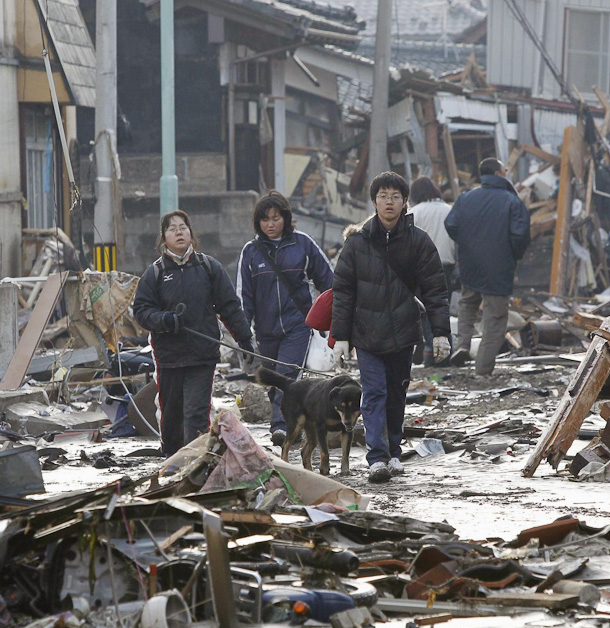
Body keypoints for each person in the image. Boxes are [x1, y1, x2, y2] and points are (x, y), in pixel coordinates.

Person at [332, 171, 451, 483]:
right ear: (374, 202)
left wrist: (440, 333)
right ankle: (377, 458)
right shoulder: (356, 243)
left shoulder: (418, 242)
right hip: (367, 333)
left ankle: (394, 451)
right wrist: (341, 337)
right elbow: (343, 291)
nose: (389, 202)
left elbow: (435, 289)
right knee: (373, 392)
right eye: (383, 196)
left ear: (405, 202)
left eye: (395, 196)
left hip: (402, 331)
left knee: (397, 395)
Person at [133, 210, 254, 457]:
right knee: (172, 416)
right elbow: (142, 311)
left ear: (191, 234)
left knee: (196, 414)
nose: (178, 231)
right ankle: (171, 461)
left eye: (183, 227)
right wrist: (164, 320)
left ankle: (196, 463)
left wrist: (244, 339)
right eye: (171, 228)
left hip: (202, 356)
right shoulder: (154, 273)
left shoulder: (209, 268)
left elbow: (229, 306)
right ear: (163, 238)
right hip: (169, 359)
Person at [236, 190, 333, 446]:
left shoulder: (303, 244)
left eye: (276, 218)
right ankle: (295, 418)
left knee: (287, 374)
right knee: (271, 380)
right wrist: (243, 334)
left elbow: (329, 281)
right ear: (258, 222)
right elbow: (243, 296)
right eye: (265, 219)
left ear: (286, 218)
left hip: (298, 325)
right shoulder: (250, 252)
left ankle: (281, 427)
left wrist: (331, 320)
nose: (271, 224)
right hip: (265, 329)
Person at [444, 157, 530, 374]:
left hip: (470, 264)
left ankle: (463, 344)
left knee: (467, 303)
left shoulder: (465, 198)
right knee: (495, 319)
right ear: (499, 173)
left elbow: (451, 224)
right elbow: (520, 237)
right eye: (505, 169)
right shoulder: (512, 202)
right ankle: (482, 370)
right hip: (498, 268)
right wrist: (513, 256)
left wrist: (467, 245)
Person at [408, 176, 456, 366]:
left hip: (421, 268)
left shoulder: (415, 213)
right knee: (441, 310)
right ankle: (444, 354)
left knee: (424, 312)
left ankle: (433, 354)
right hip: (446, 266)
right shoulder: (450, 211)